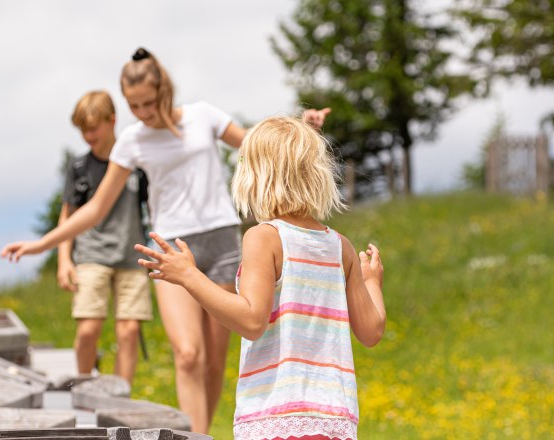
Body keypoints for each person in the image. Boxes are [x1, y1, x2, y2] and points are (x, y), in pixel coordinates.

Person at [1, 47, 330, 433]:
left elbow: (258, 145)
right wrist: (43, 245)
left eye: (149, 102)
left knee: (212, 361)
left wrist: (302, 128)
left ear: (165, 91)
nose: (143, 112)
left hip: (221, 241)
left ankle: (202, 432)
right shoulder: (131, 141)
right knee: (188, 354)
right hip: (172, 248)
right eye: (134, 105)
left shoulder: (203, 116)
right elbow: (95, 208)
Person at [134, 116, 387, 440]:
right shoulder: (341, 247)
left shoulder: (264, 238)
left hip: (276, 416)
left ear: (256, 176)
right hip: (334, 420)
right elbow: (371, 332)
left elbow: (252, 320)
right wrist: (372, 284)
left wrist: (189, 276)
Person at [57, 90, 152, 385]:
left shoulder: (137, 164)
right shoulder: (79, 167)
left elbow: (153, 207)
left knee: (129, 331)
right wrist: (64, 260)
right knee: (88, 329)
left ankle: (120, 397)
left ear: (113, 121)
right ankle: (84, 388)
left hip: (131, 255)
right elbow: (68, 216)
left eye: (93, 127)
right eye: (82, 129)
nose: (87, 135)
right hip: (91, 255)